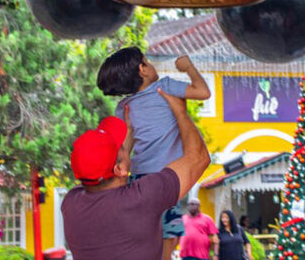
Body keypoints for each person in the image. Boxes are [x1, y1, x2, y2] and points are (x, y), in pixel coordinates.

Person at [61, 89, 210, 260]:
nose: (126, 147)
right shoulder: (142, 198)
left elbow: (99, 172)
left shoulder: (71, 203)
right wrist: (180, 112)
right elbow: (199, 157)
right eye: (123, 148)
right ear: (119, 170)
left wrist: (128, 131)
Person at [96, 47, 211, 260]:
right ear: (143, 70)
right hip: (167, 178)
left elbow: (124, 149)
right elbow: (203, 92)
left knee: (150, 235)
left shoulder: (124, 107)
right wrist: (188, 68)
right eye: (147, 61)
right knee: (168, 238)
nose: (151, 64)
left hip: (139, 179)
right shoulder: (165, 87)